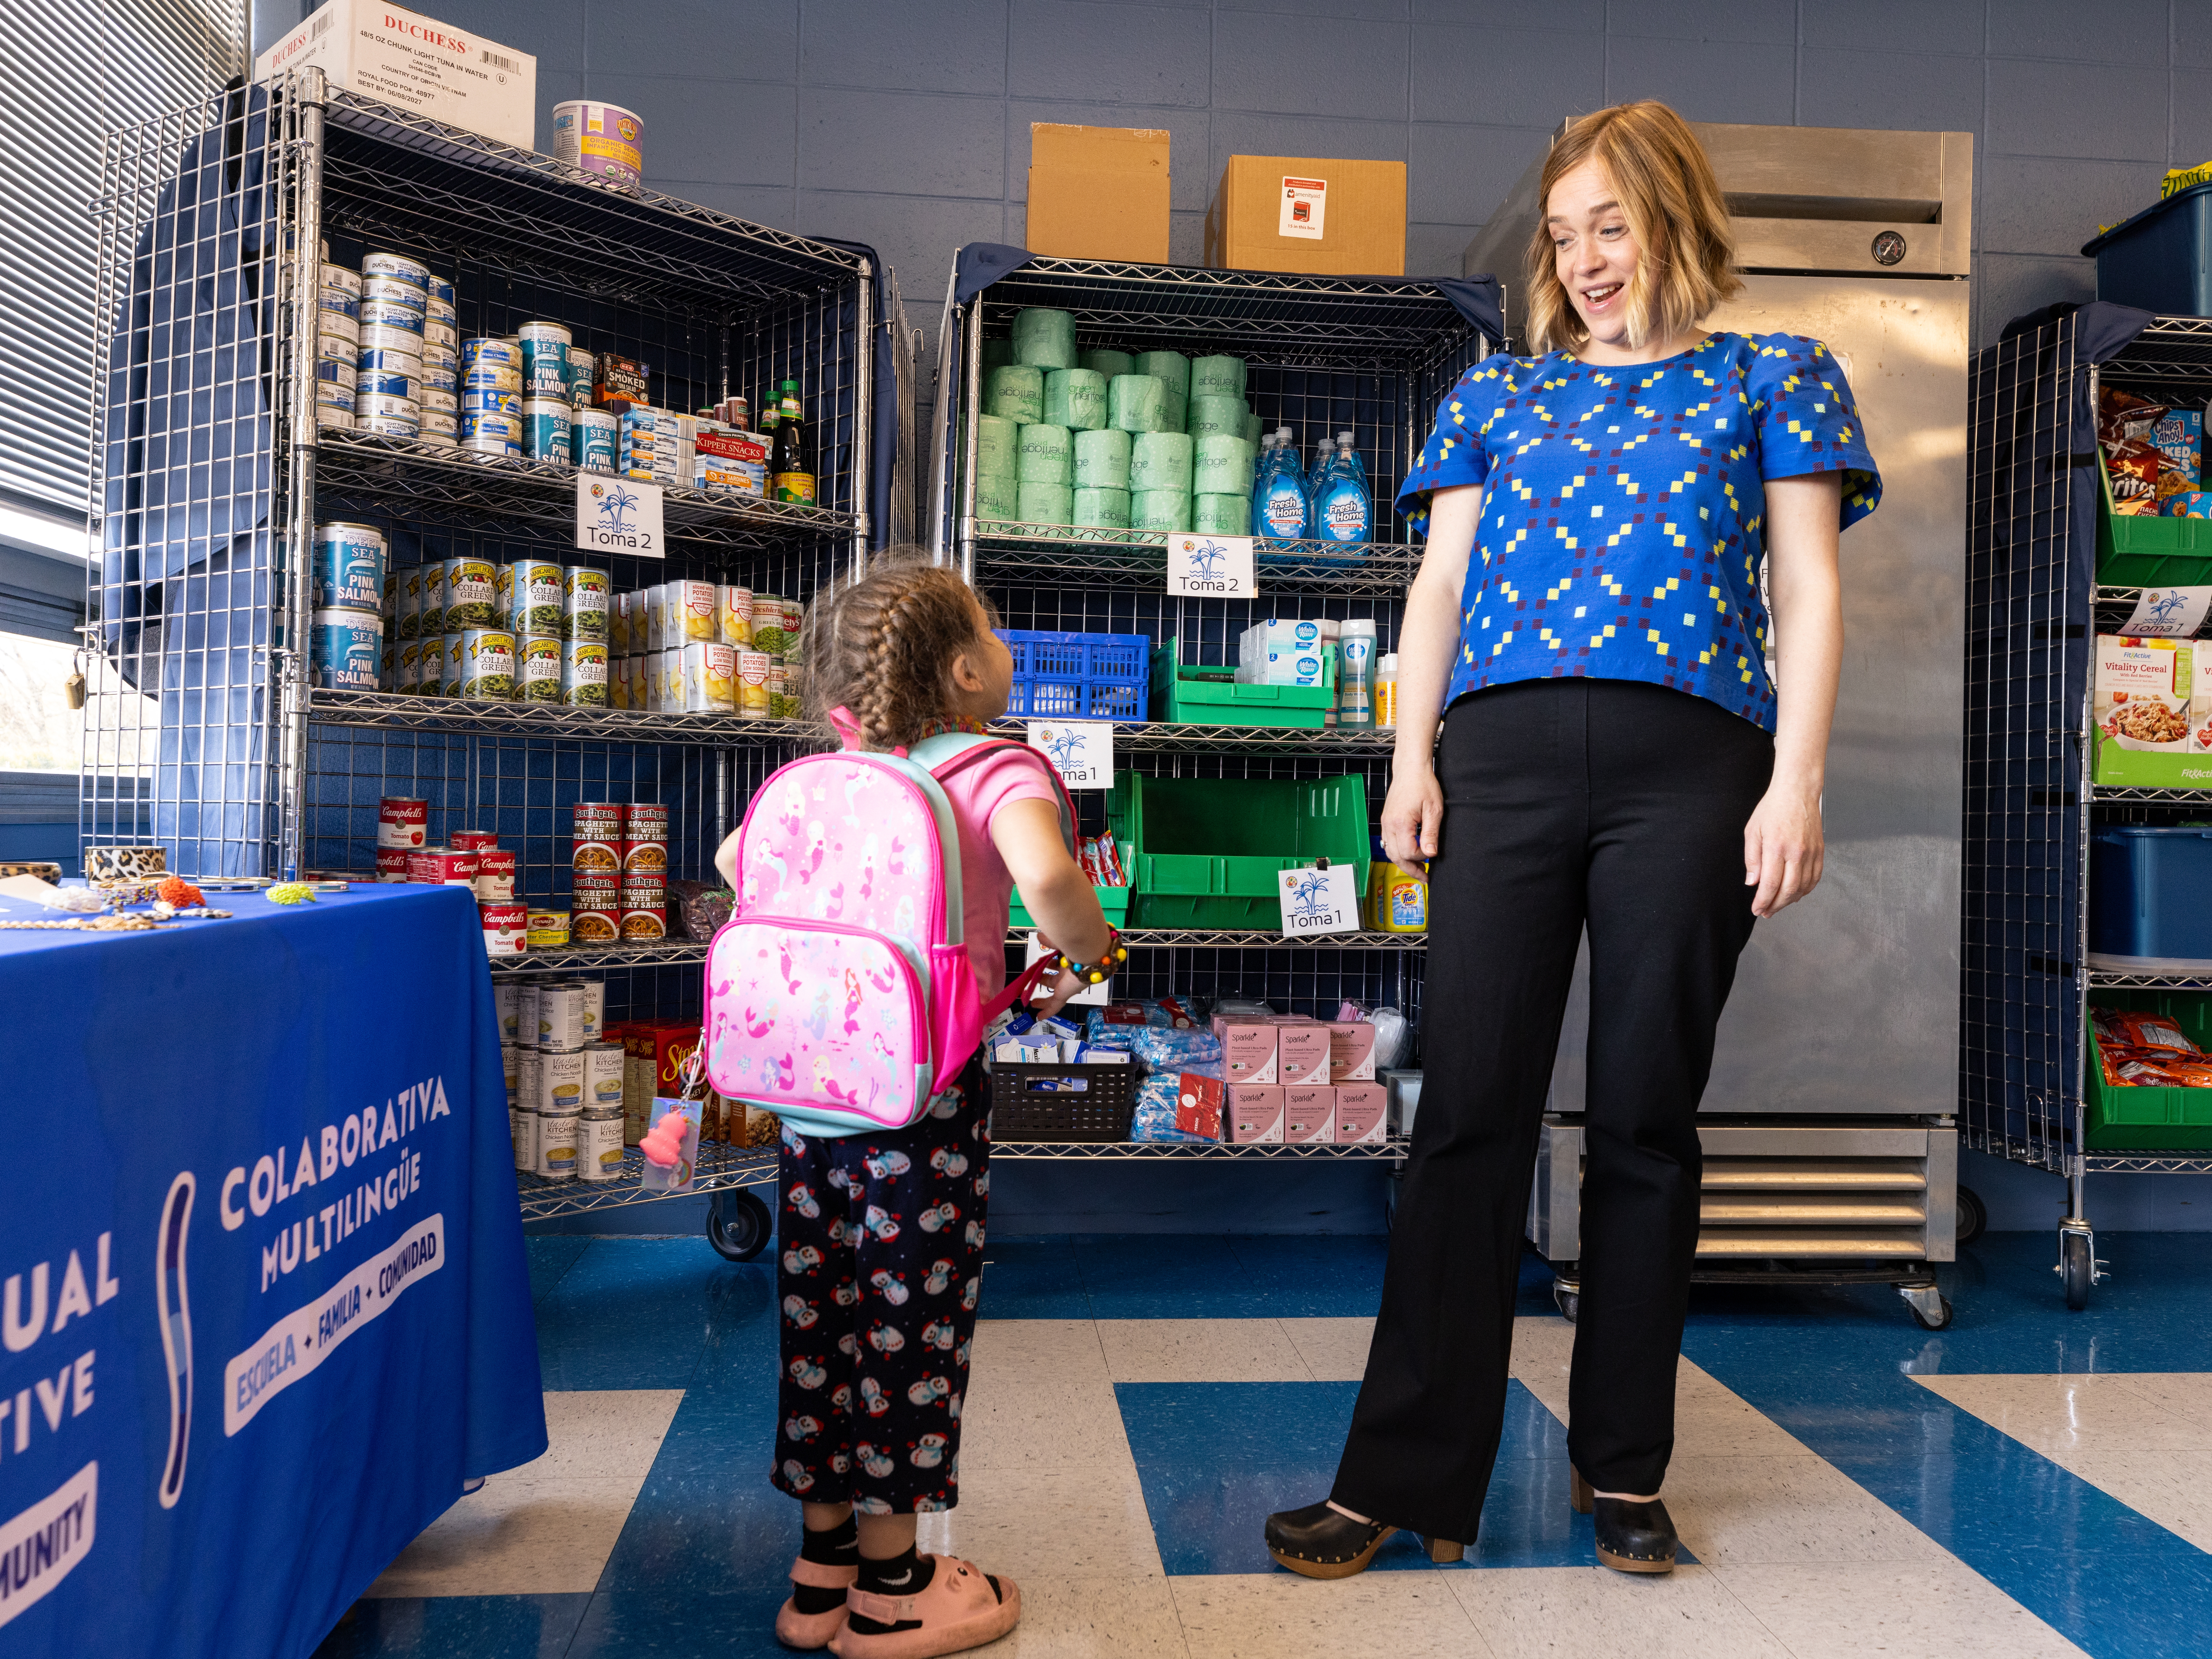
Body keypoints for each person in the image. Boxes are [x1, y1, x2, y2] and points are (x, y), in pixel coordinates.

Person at [1263, 100, 1881, 1579]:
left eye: (1610, 222)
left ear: (1672, 213)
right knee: (1467, 1110)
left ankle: (1623, 1470)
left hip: (1695, 764)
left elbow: (1807, 591)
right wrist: (1405, 758)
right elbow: (1437, 585)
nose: (1587, 259)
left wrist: (1797, 781)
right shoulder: (1501, 394)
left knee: (1645, 1121)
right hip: (1506, 761)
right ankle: (1400, 1472)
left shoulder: (1773, 376)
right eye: (1563, 234)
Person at [712, 555, 1116, 1656]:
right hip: (924, 1104)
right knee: (908, 1332)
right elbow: (1048, 884)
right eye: (992, 626)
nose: (1003, 641)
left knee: (820, 1322)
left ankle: (820, 1573)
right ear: (964, 668)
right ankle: (896, 1587)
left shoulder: (838, 769)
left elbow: (732, 859)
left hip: (810, 1102)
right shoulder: (998, 769)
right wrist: (1088, 946)